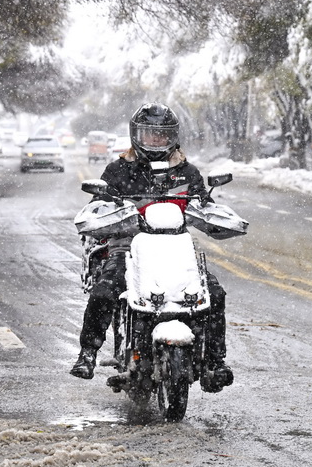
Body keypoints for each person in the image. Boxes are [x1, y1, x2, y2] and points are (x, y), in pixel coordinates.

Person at [70, 102, 235, 392]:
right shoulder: (119, 170)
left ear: (173, 137)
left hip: (176, 249)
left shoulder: (187, 173)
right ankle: (87, 354)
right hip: (129, 248)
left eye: (162, 135)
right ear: (137, 136)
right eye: (150, 135)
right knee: (106, 288)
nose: (156, 141)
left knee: (214, 293)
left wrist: (215, 217)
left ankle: (215, 362)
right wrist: (104, 213)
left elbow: (204, 204)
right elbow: (97, 205)